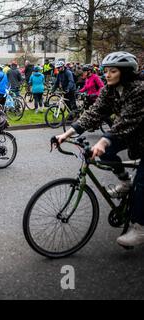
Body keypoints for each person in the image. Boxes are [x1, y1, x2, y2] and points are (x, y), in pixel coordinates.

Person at [55, 51, 144, 246]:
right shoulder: (109, 90)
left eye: (113, 71)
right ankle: (125, 182)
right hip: (132, 135)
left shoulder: (139, 89)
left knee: (142, 186)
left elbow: (127, 120)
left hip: (138, 134)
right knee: (105, 154)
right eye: (106, 71)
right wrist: (66, 134)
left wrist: (104, 141)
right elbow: (93, 114)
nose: (107, 75)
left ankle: (139, 228)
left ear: (126, 73)